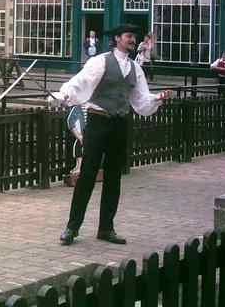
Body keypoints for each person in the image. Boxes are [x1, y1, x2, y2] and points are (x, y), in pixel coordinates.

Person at [50, 24, 171, 246]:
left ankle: (106, 228)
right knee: (87, 175)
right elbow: (80, 83)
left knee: (114, 177)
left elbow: (141, 101)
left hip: (120, 124)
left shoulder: (136, 69)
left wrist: (157, 98)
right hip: (98, 122)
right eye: (128, 36)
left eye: (134, 37)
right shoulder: (100, 61)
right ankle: (72, 228)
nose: (132, 40)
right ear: (117, 38)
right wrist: (63, 95)